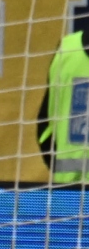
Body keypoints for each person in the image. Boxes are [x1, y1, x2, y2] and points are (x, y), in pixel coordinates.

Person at [37, 30, 89, 183]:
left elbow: (45, 125)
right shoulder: (67, 48)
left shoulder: (67, 47)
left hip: (69, 188)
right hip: (69, 189)